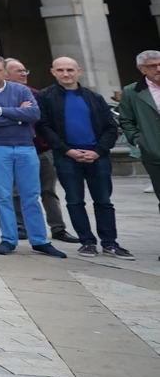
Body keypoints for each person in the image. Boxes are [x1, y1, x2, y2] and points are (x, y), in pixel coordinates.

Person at [0, 54, 63, 257]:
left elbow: (34, 115)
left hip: (25, 147)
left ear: (4, 71)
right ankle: (9, 239)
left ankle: (39, 240)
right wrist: (16, 116)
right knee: (3, 196)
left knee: (31, 195)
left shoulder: (20, 89)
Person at [37, 56, 128, 258]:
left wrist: (97, 151)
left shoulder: (94, 97)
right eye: (60, 70)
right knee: (75, 200)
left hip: (98, 156)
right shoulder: (45, 97)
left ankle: (110, 242)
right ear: (53, 72)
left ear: (79, 71)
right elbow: (44, 127)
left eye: (70, 70)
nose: (65, 74)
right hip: (67, 157)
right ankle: (86, 241)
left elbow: (111, 127)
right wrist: (67, 150)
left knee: (103, 200)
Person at [8, 59, 79, 244]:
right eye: (18, 71)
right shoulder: (2, 97)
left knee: (49, 191)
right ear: (5, 74)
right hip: (17, 150)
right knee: (16, 190)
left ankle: (58, 228)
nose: (23, 74)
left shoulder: (37, 95)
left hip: (42, 150)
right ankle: (19, 226)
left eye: (25, 70)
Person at [118, 49, 160, 231]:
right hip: (154, 152)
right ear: (141, 69)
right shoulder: (132, 91)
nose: (158, 69)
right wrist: (138, 140)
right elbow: (126, 120)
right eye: (152, 66)